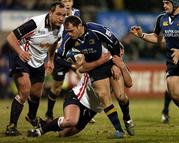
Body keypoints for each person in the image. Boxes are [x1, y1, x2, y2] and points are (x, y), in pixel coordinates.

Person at [58, 15, 135, 137]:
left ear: (79, 26)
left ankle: (127, 118)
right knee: (103, 95)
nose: (69, 34)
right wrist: (72, 64)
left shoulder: (96, 30)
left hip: (110, 62)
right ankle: (119, 130)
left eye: (71, 31)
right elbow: (59, 57)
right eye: (67, 31)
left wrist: (116, 64)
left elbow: (115, 44)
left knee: (121, 97)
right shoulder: (68, 39)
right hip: (96, 68)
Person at [5, 2, 66, 136]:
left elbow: (54, 43)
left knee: (36, 94)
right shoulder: (35, 23)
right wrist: (20, 51)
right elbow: (11, 37)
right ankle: (11, 127)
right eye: (58, 14)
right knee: (25, 91)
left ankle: (31, 117)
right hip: (21, 56)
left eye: (64, 15)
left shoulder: (60, 28)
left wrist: (50, 60)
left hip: (38, 60)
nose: (61, 18)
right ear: (50, 13)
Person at [130, 0, 179, 120]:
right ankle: (165, 112)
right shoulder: (162, 18)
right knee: (174, 93)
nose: (164, 6)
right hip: (172, 60)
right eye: (163, 3)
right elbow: (158, 38)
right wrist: (142, 35)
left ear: (176, 3)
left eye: (167, 3)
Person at [45, 0, 80, 122]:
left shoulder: (77, 13)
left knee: (84, 77)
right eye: (64, 0)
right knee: (57, 88)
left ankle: (83, 108)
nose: (67, 3)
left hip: (73, 54)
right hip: (60, 56)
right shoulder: (58, 17)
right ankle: (49, 113)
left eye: (69, 0)